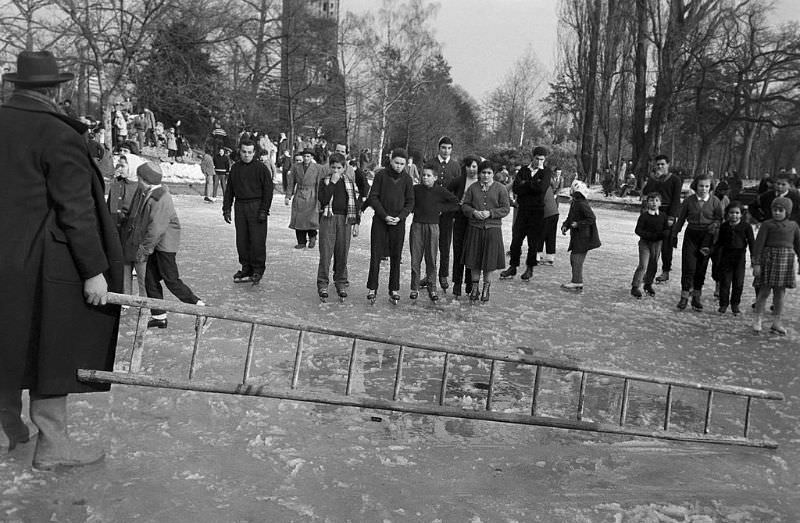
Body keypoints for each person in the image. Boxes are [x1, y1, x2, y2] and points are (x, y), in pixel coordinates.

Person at [0, 50, 123, 468]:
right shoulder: (58, 134)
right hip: (41, 263)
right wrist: (94, 270)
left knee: (6, 343)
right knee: (50, 345)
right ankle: (53, 446)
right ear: (56, 89)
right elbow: (77, 210)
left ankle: (11, 433)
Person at [122, 162, 205, 328]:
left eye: (139, 178)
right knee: (150, 280)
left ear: (144, 180)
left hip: (165, 246)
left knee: (171, 280)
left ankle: (200, 307)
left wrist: (144, 250)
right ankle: (159, 316)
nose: (137, 181)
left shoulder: (160, 198)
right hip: (157, 245)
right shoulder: (148, 193)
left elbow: (156, 229)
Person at [366, 148, 415, 303]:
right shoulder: (381, 175)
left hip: (397, 223)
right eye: (396, 163)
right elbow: (373, 197)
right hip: (381, 220)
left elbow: (410, 201)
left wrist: (400, 217)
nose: (398, 166)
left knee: (396, 255)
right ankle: (372, 287)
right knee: (376, 254)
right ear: (391, 160)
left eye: (402, 164)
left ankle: (393, 288)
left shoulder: (407, 179)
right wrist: (384, 215)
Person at [222, 139, 274, 284]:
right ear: (240, 151)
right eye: (244, 152)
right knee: (242, 240)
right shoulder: (235, 168)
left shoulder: (261, 168)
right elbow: (229, 190)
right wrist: (226, 208)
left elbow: (268, 190)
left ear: (254, 153)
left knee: (257, 240)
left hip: (256, 206)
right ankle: (246, 267)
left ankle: (257, 269)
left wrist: (264, 209)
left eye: (249, 152)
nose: (246, 155)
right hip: (240, 206)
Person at [672, 174, 724, 311]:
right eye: (701, 186)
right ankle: (684, 296)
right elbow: (681, 219)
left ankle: (696, 297)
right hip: (692, 235)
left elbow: (720, 218)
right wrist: (674, 234)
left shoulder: (715, 201)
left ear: (710, 187)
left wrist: (715, 226)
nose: (704, 189)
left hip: (707, 237)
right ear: (696, 186)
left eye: (707, 186)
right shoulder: (689, 201)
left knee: (701, 268)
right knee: (689, 267)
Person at [409, 163, 460, 301]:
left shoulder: (440, 191)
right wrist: (411, 209)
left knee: (431, 258)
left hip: (433, 227)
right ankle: (414, 287)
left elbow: (455, 202)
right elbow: (408, 201)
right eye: (423, 175)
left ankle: (432, 287)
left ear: (435, 177)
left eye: (429, 176)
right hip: (417, 226)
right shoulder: (416, 189)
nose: (425, 178)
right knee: (415, 259)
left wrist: (441, 208)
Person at [461, 160, 511, 302]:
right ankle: (475, 289)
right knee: (474, 260)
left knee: (489, 261)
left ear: (493, 174)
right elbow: (465, 206)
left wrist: (491, 213)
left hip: (492, 230)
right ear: (479, 173)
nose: (486, 175)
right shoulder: (473, 188)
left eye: (489, 173)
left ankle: (486, 288)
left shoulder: (500, 188)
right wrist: (474, 212)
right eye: (483, 172)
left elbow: (505, 209)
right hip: (475, 228)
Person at [501, 146, 553, 281]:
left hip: (537, 212)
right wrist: (533, 184)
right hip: (523, 210)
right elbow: (517, 189)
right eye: (537, 159)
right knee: (516, 239)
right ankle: (513, 266)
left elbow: (542, 189)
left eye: (542, 159)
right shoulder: (524, 170)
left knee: (533, 242)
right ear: (533, 157)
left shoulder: (546, 172)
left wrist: (527, 184)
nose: (540, 161)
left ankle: (529, 268)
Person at [751, 197, 800, 334]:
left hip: (785, 261)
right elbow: (758, 245)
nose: (777, 213)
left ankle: (776, 321)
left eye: (780, 210)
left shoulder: (793, 226)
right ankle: (758, 319)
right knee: (764, 291)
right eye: (774, 210)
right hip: (769, 260)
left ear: (787, 212)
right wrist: (756, 263)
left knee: (780, 293)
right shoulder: (767, 225)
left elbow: (798, 245)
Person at [316, 153, 360, 300]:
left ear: (344, 168)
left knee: (342, 252)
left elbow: (355, 202)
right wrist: (332, 183)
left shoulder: (349, 182)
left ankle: (340, 281)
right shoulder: (325, 181)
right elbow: (323, 199)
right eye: (333, 167)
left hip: (345, 220)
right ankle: (322, 282)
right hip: (328, 218)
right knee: (326, 252)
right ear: (329, 167)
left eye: (339, 168)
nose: (336, 171)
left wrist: (356, 222)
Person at [641, 154, 683, 283]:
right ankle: (649, 272)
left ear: (668, 165)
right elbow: (646, 192)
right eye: (658, 164)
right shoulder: (653, 178)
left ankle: (666, 271)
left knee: (666, 245)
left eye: (662, 164)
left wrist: (671, 217)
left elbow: (676, 199)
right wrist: (653, 180)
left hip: (668, 212)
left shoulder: (675, 179)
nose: (660, 166)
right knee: (652, 243)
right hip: (654, 212)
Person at [430, 136, 461, 291]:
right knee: (430, 245)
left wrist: (451, 210)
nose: (446, 151)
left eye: (449, 148)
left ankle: (443, 275)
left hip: (447, 213)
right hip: (431, 211)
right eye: (443, 147)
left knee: (444, 245)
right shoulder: (431, 163)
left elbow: (457, 192)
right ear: (439, 148)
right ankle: (430, 274)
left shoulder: (456, 166)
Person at [448, 155, 481, 297]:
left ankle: (470, 282)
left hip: (475, 219)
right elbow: (447, 194)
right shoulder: (459, 180)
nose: (471, 169)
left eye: (474, 166)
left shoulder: (481, 182)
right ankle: (457, 282)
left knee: (472, 251)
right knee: (459, 250)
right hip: (460, 218)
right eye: (469, 166)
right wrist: (455, 206)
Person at [714, 201, 754, 315]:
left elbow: (752, 242)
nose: (734, 215)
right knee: (725, 282)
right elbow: (719, 242)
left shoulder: (746, 226)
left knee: (738, 283)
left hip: (740, 257)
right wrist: (711, 251)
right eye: (731, 212)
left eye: (737, 213)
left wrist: (754, 258)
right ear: (727, 214)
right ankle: (723, 304)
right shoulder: (724, 226)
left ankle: (735, 304)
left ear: (741, 214)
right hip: (726, 257)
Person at [560, 180, 601, 291]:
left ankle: (577, 281)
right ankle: (577, 280)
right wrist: (565, 225)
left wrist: (578, 224)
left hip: (584, 237)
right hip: (578, 235)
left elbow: (591, 218)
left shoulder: (581, 203)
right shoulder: (575, 202)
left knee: (576, 258)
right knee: (575, 258)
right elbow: (571, 217)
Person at [631, 193, 670, 298]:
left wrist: (664, 234)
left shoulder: (663, 216)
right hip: (645, 243)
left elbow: (666, 229)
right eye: (651, 200)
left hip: (657, 244)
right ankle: (635, 286)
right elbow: (638, 230)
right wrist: (649, 235)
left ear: (660, 203)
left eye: (656, 200)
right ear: (647, 203)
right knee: (643, 265)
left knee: (653, 264)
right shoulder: (644, 216)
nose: (654, 203)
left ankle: (648, 284)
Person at [286, 148, 324, 249]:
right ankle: (301, 241)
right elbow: (291, 182)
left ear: (312, 157)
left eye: (308, 156)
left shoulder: (317, 168)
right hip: (299, 194)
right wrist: (288, 196)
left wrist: (320, 198)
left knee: (310, 219)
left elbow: (320, 183)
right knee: (299, 219)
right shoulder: (296, 167)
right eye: (304, 156)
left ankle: (312, 236)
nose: (306, 158)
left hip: (312, 195)